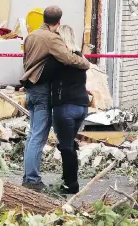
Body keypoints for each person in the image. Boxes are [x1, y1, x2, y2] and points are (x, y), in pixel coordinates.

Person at [20, 6, 90, 191]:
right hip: (42, 90)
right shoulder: (52, 38)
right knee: (38, 136)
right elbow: (68, 58)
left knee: (32, 134)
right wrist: (85, 62)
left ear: (43, 19)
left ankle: (28, 176)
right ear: (58, 22)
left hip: (31, 89)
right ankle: (32, 180)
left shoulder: (31, 36)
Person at [48, 25, 90, 194]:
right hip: (82, 106)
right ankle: (69, 179)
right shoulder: (80, 58)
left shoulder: (58, 60)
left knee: (66, 147)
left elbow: (45, 77)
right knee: (70, 144)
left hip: (65, 107)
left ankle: (71, 184)